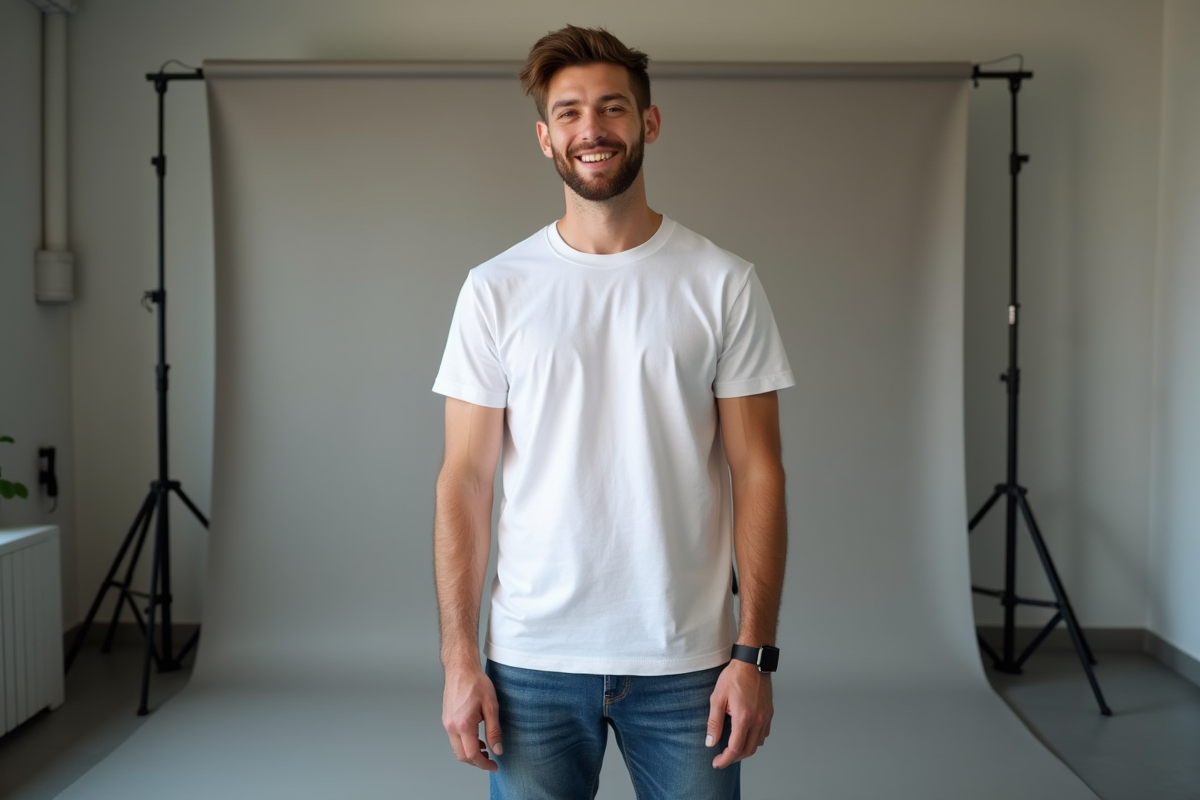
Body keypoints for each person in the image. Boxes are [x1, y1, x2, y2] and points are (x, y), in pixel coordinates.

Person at [432, 24, 793, 800]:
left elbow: (758, 470)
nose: (590, 129)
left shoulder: (723, 283)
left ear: (648, 123)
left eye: (611, 108)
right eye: (568, 113)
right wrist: (461, 660)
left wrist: (754, 654)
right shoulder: (495, 289)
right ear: (544, 136)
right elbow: (464, 479)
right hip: (531, 663)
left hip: (688, 666)